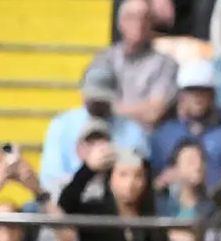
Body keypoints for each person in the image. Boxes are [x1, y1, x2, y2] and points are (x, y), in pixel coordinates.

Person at [58, 143, 170, 241]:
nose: (130, 183)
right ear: (110, 179)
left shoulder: (154, 226)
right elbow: (65, 206)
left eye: (138, 176)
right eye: (123, 175)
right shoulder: (94, 213)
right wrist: (88, 170)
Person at [40, 66, 146, 194]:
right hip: (68, 201)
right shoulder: (61, 125)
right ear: (82, 94)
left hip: (115, 203)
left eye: (102, 99)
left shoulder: (132, 130)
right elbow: (50, 180)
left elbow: (141, 177)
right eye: (93, 97)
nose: (97, 102)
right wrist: (88, 170)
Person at [91, 0, 178, 132]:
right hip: (105, 135)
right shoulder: (105, 57)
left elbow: (154, 112)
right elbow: (92, 101)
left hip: (145, 138)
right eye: (132, 17)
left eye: (145, 17)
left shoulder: (166, 63)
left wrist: (110, 110)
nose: (139, 23)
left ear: (151, 24)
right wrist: (138, 109)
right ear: (120, 23)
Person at [146, 58, 221, 178]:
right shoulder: (164, 134)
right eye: (191, 90)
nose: (197, 97)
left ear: (212, 94)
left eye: (203, 91)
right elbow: (152, 181)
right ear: (181, 94)